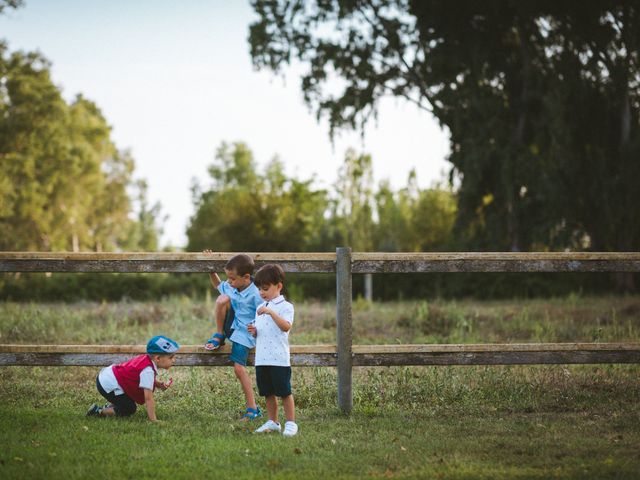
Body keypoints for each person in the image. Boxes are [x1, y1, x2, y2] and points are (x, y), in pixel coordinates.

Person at [203, 252, 263, 421]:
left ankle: (253, 409)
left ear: (246, 277)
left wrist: (257, 329)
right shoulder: (233, 285)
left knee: (238, 368)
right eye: (228, 278)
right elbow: (218, 285)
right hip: (232, 327)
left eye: (232, 279)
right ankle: (219, 334)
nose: (229, 282)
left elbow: (264, 314)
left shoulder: (256, 294)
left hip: (246, 333)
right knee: (222, 299)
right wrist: (211, 270)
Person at [248, 264, 298, 437]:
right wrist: (255, 331)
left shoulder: (286, 307)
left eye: (266, 288)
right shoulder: (259, 308)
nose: (262, 293)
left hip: (279, 358)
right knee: (267, 392)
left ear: (279, 286)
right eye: (260, 289)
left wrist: (270, 312)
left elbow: (285, 327)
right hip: (262, 358)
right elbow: (263, 332)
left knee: (284, 392)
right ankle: (273, 421)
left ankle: (291, 423)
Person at [86, 335, 179, 422]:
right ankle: (98, 411)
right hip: (108, 384)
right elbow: (148, 398)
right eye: (171, 358)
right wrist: (153, 420)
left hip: (107, 377)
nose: (174, 360)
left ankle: (111, 406)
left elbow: (140, 378)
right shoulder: (148, 371)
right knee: (129, 408)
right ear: (158, 358)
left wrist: (158, 384)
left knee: (126, 402)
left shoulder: (146, 360)